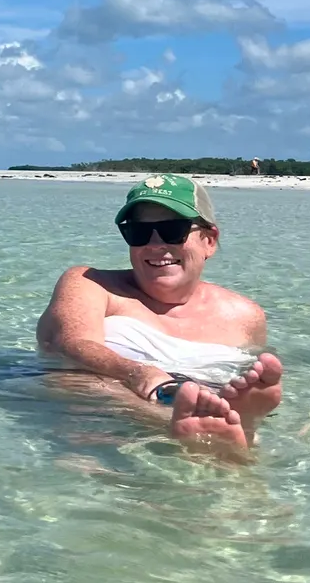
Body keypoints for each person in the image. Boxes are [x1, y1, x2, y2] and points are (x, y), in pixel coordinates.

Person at [36, 174, 283, 450]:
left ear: (209, 241)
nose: (154, 246)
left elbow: (249, 378)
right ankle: (206, 425)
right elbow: (71, 342)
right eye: (138, 232)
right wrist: (138, 374)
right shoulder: (90, 283)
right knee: (76, 379)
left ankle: (217, 423)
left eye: (173, 230)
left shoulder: (245, 316)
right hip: (97, 424)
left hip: (193, 404)